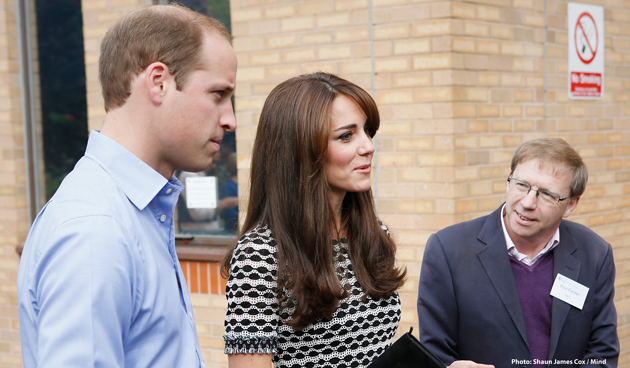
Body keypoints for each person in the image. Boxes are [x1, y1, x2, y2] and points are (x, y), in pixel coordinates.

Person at [17, 4, 236, 367]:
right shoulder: (94, 230)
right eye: (217, 94)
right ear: (159, 82)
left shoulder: (135, 213)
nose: (229, 119)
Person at [221, 72, 406, 368]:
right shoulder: (259, 257)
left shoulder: (371, 232)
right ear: (301, 151)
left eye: (367, 130)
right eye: (346, 135)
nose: (368, 146)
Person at [417, 138, 619, 368]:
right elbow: (434, 353)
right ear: (508, 181)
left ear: (571, 204)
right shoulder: (448, 250)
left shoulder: (594, 253)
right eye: (522, 184)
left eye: (547, 194)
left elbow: (602, 351)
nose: (527, 202)